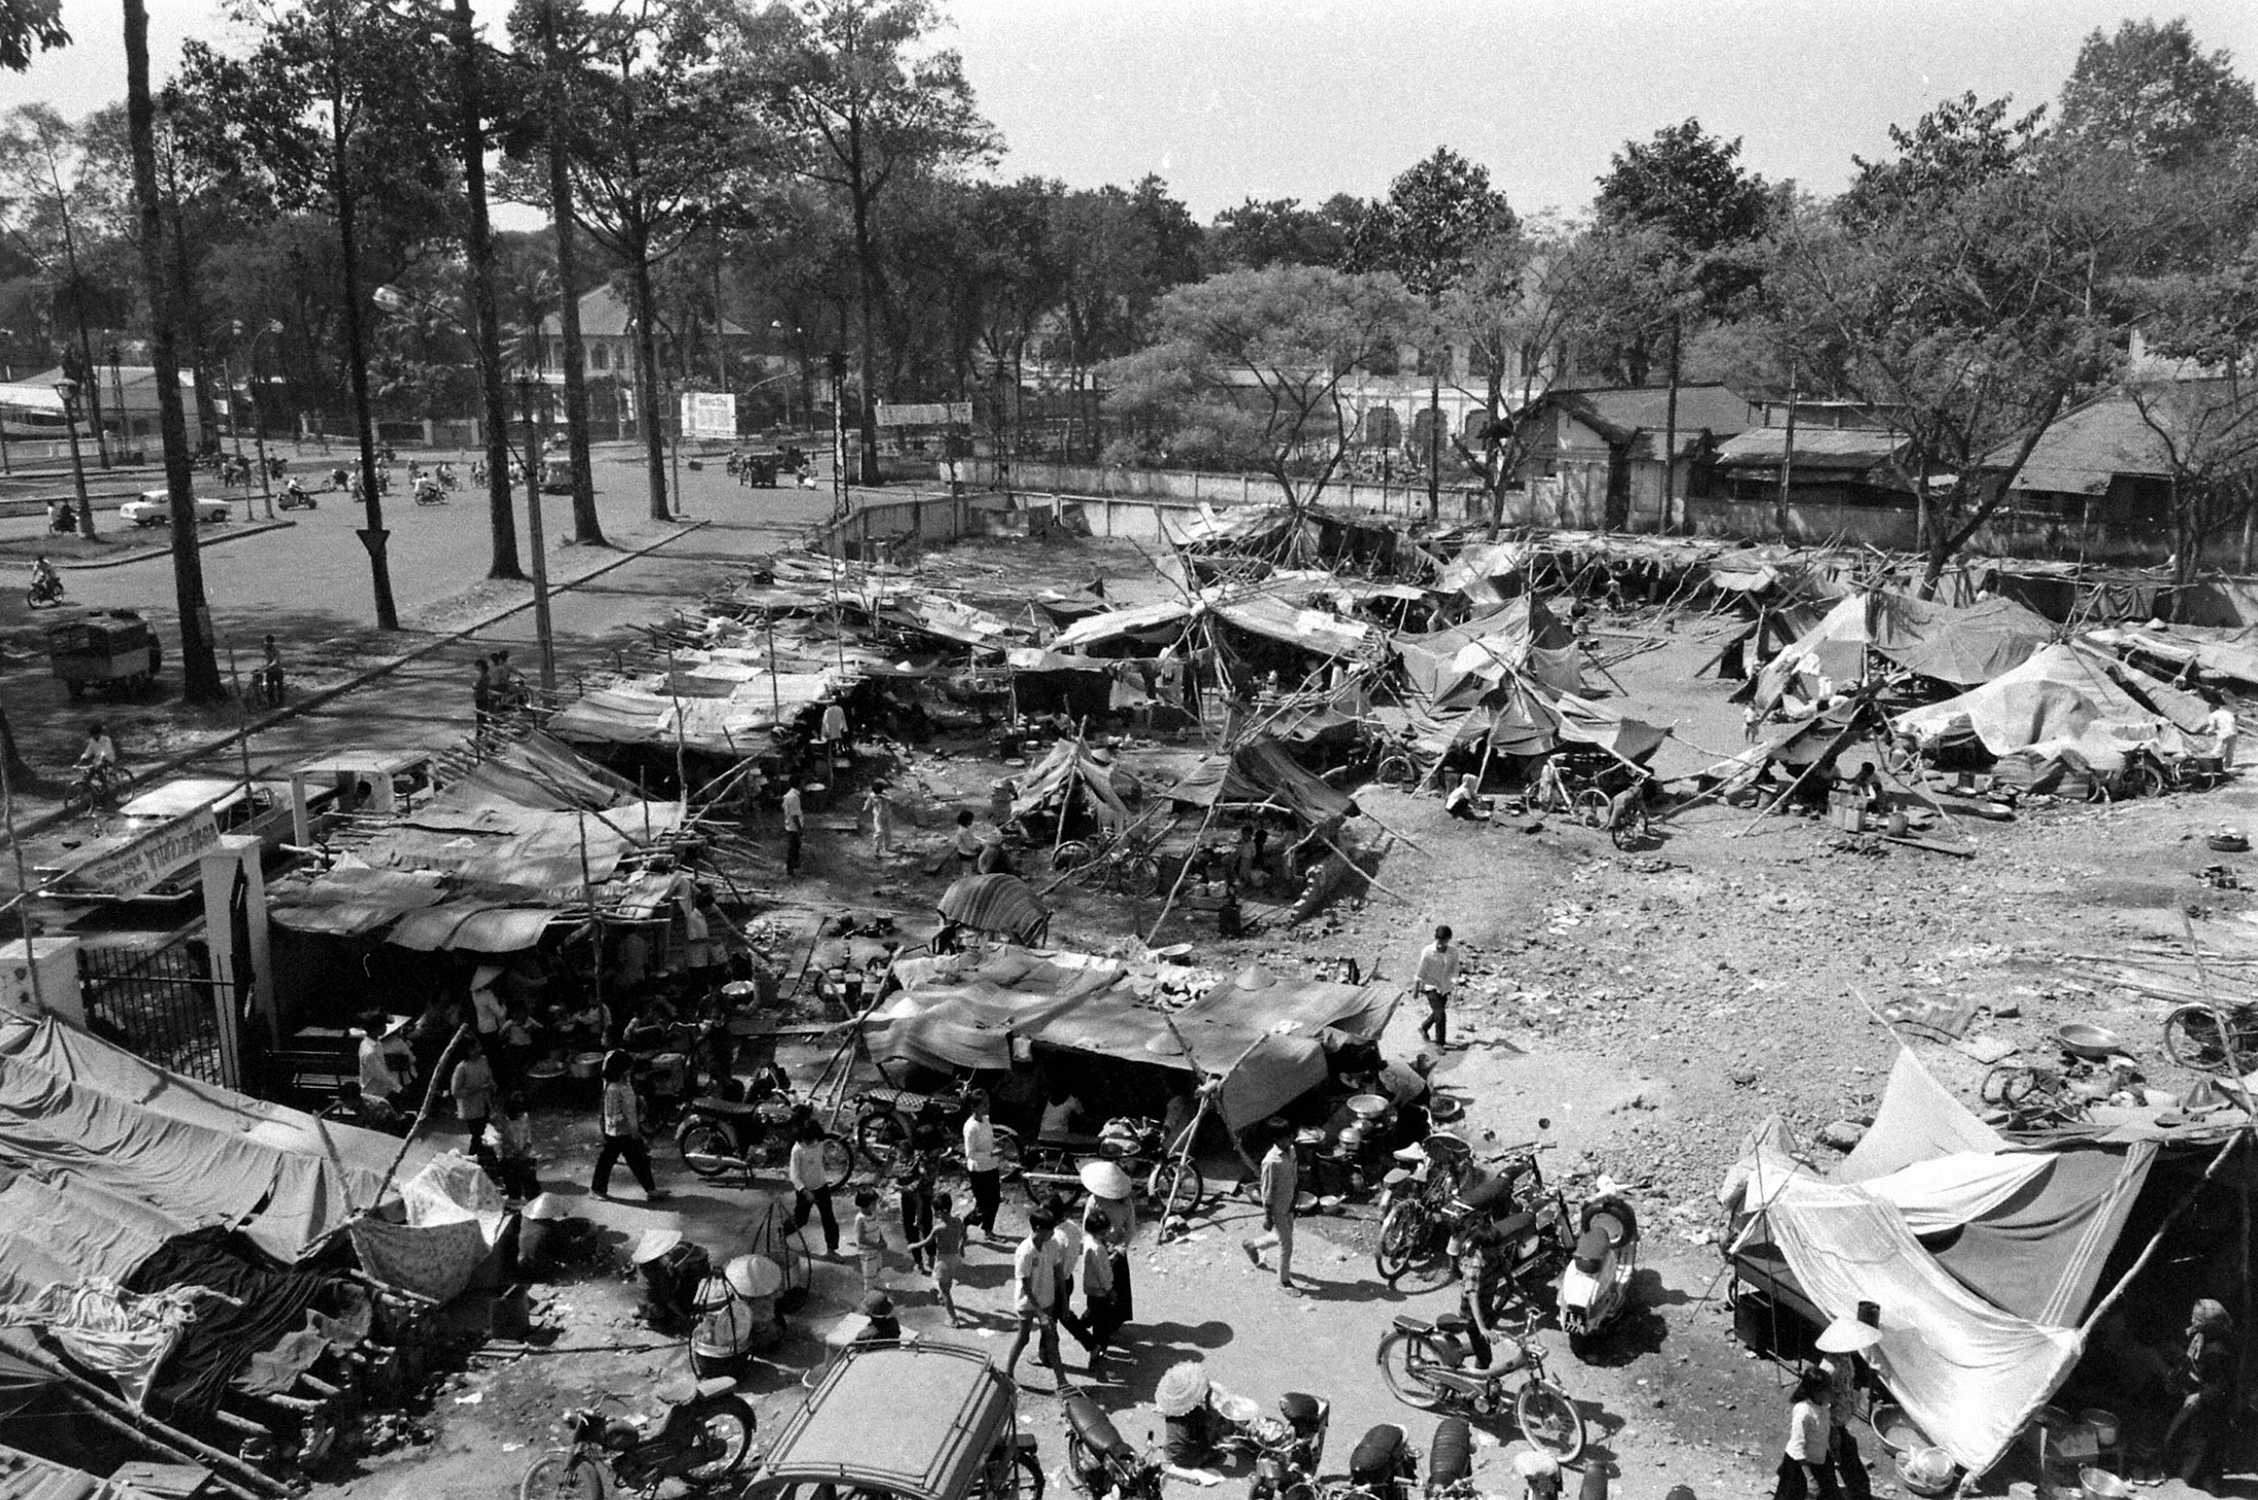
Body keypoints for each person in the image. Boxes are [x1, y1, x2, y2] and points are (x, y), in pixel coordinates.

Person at [2164, 1298, 2238, 1490]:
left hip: (2211, 1406)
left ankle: (2200, 1482)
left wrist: (2200, 1397)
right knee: (2181, 1435)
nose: (2193, 1320)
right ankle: (2185, 1473)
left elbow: (2221, 1384)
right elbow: (2192, 1363)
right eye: (2193, 1316)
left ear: (2210, 1323)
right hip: (2198, 1397)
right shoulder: (2202, 1336)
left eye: (2198, 1318)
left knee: (2202, 1446)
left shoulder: (2218, 1350)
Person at [1000, 1206, 1068, 1386]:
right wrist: (1041, 1313)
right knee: (1023, 1337)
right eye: (1050, 1229)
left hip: (1047, 1300)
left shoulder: (1052, 1245)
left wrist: (1064, 1302)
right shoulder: (1025, 1252)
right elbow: (1026, 1286)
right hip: (1028, 1302)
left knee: (1051, 1339)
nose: (1053, 1233)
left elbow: (1058, 1272)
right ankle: (1008, 1373)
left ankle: (1062, 1381)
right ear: (1038, 1229)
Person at [590, 1050, 666, 1203]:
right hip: (617, 1133)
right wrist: (631, 1130)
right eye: (627, 1068)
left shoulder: (625, 1083)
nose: (630, 1070)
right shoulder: (613, 1089)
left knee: (638, 1160)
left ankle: (651, 1190)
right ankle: (597, 1189)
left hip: (629, 1130)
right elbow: (614, 1115)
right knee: (613, 1160)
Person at [1240, 1123, 1300, 1295]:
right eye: (1285, 1138)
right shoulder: (1271, 1161)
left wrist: (1296, 1196)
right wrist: (1267, 1216)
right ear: (1275, 1139)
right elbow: (1267, 1191)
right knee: (1287, 1245)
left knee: (1280, 1237)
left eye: (1290, 1136)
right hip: (1278, 1208)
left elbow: (1294, 1176)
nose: (1289, 1140)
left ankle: (1252, 1245)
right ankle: (1284, 1281)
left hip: (1290, 1204)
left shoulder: (1292, 1151)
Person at [1774, 1367, 1839, 1500]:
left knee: (1830, 1494)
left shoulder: (1823, 1405)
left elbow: (1823, 1426)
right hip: (1800, 1465)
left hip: (1820, 1458)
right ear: (1816, 1392)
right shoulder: (1803, 1411)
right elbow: (1797, 1446)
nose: (1831, 1392)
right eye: (1827, 1389)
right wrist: (1809, 1479)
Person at [1820, 1339, 1873, 1500]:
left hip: (1840, 1420)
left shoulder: (1846, 1359)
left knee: (1841, 1456)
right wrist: (1831, 1430)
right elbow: (1822, 1404)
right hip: (1830, 1423)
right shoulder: (1828, 1369)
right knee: (1844, 1456)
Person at [911, 1190, 968, 1325]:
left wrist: (914, 1245)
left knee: (945, 1291)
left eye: (935, 1211)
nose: (934, 1214)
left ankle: (953, 1319)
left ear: (940, 1212)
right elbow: (965, 1237)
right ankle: (942, 1295)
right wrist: (962, 1248)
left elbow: (926, 1242)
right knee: (946, 1283)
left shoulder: (939, 1228)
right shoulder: (958, 1221)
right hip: (955, 1258)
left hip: (943, 1261)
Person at [1079, 1212, 1122, 1368]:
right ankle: (1097, 1354)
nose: (1106, 1235)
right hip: (1100, 1290)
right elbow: (1102, 1273)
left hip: (1091, 1288)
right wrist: (1110, 1290)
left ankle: (1083, 1323)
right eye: (1103, 1232)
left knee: (1094, 1311)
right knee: (1101, 1325)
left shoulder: (1089, 1242)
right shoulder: (1097, 1248)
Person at [483, 1092, 540, 1200]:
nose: (520, 1115)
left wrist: (525, 1150)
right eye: (518, 1113)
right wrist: (504, 1150)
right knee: (514, 1190)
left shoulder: (524, 1117)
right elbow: (492, 1140)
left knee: (532, 1189)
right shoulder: (498, 1121)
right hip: (508, 1160)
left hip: (525, 1156)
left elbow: (528, 1136)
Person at [962, 1090, 1003, 1238]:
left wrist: (995, 1143)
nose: (987, 1107)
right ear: (974, 1107)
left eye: (988, 1103)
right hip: (979, 1171)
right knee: (983, 1206)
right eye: (984, 1105)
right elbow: (970, 1154)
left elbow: (989, 1139)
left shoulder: (986, 1120)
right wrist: (990, 1154)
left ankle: (988, 1230)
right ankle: (965, 1223)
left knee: (995, 1200)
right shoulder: (970, 1128)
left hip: (991, 1166)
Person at [1415, 924, 1462, 1048]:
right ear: (1435, 938)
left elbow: (1455, 968)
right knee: (1441, 1015)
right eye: (1439, 940)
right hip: (1430, 986)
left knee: (1438, 1012)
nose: (1441, 944)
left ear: (1448, 939)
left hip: (1445, 987)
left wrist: (1455, 982)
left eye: (1444, 940)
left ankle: (1424, 1027)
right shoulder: (1428, 952)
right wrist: (1416, 988)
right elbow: (1421, 971)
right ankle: (1440, 1043)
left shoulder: (1453, 952)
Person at [357, 1015, 414, 1116]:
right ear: (376, 1028)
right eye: (383, 1025)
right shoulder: (370, 1052)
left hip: (383, 1089)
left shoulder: (375, 1044)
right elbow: (381, 1075)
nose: (385, 1028)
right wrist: (399, 1088)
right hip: (375, 1092)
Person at [449, 1039, 499, 1143]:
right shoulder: (461, 1068)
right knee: (477, 1134)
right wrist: (478, 1089)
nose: (479, 1050)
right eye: (475, 1048)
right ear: (469, 1050)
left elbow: (488, 1075)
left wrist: (492, 1084)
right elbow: (455, 1092)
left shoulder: (483, 1060)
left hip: (485, 1102)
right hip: (471, 1107)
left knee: (487, 1130)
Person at [896, 1153, 935, 1273]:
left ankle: (929, 1257)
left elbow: (920, 1205)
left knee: (925, 1229)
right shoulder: (904, 1165)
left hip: (920, 1200)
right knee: (915, 1232)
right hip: (911, 1202)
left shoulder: (915, 1187)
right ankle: (921, 1261)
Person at [852, 1187, 889, 1293]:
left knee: (878, 1266)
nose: (875, 1206)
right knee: (869, 1272)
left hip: (875, 1249)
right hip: (867, 1251)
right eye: (873, 1204)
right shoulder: (861, 1219)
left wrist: (882, 1239)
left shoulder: (873, 1214)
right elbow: (861, 1239)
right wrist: (875, 1245)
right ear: (865, 1204)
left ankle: (877, 1282)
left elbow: (877, 1228)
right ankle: (869, 1292)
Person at [863, 781, 896, 860]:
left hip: (887, 816)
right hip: (878, 816)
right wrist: (865, 808)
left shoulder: (885, 794)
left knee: (887, 831)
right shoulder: (872, 796)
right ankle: (877, 849)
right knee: (879, 831)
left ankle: (887, 846)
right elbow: (868, 803)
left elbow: (892, 800)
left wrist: (884, 797)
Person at [2209, 695, 2240, 771]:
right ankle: (2228, 766)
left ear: (2211, 709)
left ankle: (2217, 767)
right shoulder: (2227, 712)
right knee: (2230, 750)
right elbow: (2235, 720)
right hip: (2234, 732)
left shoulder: (2213, 715)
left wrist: (2209, 732)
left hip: (2224, 733)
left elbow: (2212, 727)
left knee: (2219, 750)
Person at [781, 784, 805, 877]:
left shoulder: (788, 795)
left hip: (789, 825)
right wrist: (799, 828)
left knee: (796, 846)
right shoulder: (794, 797)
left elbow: (783, 806)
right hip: (793, 827)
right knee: (793, 848)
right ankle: (790, 870)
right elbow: (795, 815)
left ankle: (795, 865)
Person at [260, 634, 285, 707]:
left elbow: (276, 661)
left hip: (277, 671)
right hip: (269, 672)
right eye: (266, 641)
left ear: (272, 642)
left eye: (268, 642)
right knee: (270, 688)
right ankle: (272, 702)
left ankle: (281, 702)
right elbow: (263, 660)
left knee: (279, 687)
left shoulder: (276, 651)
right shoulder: (264, 651)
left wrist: (268, 666)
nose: (266, 643)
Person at [473, 657, 493, 731]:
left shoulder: (484, 676)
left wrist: (475, 686)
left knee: (481, 714)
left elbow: (481, 686)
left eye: (478, 666)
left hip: (481, 697)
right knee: (481, 714)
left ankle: (481, 730)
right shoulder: (483, 676)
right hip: (481, 696)